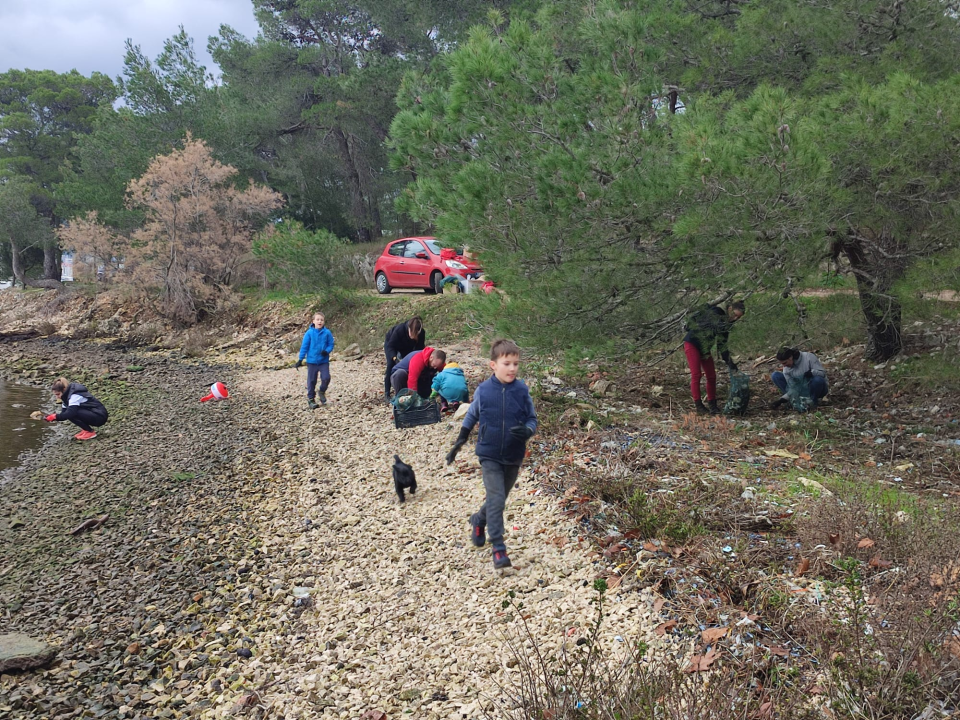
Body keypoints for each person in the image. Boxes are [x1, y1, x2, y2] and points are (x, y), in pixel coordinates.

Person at [445, 340, 538, 570]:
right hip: (489, 454)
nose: (512, 368)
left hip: (514, 455)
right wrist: (461, 439)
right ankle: (498, 546)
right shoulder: (484, 391)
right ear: (493, 365)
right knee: (497, 499)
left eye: (516, 364)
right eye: (507, 363)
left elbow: (532, 419)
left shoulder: (521, 390)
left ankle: (479, 519)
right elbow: (472, 414)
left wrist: (527, 430)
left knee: (498, 499)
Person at [683, 300, 745, 414]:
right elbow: (706, 322)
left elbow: (722, 345)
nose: (735, 319)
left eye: (738, 317)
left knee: (711, 376)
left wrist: (730, 363)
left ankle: (712, 404)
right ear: (730, 309)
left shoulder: (727, 324)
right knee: (696, 374)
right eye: (735, 315)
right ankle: (698, 405)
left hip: (705, 348)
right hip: (692, 343)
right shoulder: (716, 312)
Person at [44, 378, 108, 441]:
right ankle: (86, 429)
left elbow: (70, 413)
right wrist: (52, 417)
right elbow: (63, 414)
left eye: (58, 394)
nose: (57, 397)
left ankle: (90, 432)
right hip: (92, 413)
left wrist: (55, 416)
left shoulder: (74, 396)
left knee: (71, 413)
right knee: (69, 412)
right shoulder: (66, 397)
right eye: (55, 395)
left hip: (100, 416)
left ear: (64, 390)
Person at [296, 312, 335, 409]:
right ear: (313, 321)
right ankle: (311, 399)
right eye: (317, 319)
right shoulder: (309, 333)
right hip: (312, 361)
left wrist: (327, 351)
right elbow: (304, 347)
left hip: (323, 361)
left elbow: (331, 344)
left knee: (326, 378)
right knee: (312, 380)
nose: (320, 321)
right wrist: (300, 359)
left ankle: (322, 391)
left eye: (321, 320)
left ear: (324, 322)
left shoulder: (327, 333)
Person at [383, 316, 426, 401]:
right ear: (408, 328)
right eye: (411, 332)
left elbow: (419, 351)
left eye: (415, 334)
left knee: (412, 364)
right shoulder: (399, 330)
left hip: (407, 346)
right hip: (392, 344)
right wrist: (395, 359)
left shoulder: (421, 334)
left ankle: (412, 387)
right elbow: (391, 346)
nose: (412, 335)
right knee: (391, 364)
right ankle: (387, 393)